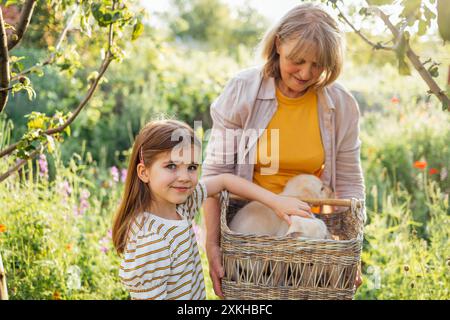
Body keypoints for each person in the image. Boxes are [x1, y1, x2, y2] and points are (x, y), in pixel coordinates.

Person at [201, 3, 365, 298]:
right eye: (297, 60)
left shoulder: (341, 105)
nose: (305, 73)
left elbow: (350, 184)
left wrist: (351, 251)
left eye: (318, 65)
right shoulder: (242, 91)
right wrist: (213, 245)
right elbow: (215, 174)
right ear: (278, 43)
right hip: (251, 228)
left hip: (307, 229)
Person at [112, 119, 312, 300]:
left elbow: (225, 181)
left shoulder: (182, 206)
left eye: (192, 167)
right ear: (144, 172)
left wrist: (275, 201)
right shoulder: (153, 242)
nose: (184, 177)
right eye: (171, 166)